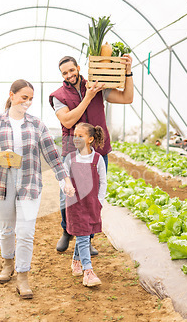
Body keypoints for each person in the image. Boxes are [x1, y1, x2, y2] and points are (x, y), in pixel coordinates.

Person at [0, 79, 75, 299]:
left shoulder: (36, 125)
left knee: (26, 232)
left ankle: (22, 277)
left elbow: (52, 155)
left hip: (29, 182)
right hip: (2, 182)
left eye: (30, 99)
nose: (27, 102)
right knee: (7, 229)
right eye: (23, 97)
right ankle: (8, 264)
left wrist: (64, 179)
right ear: (12, 95)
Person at [49, 54, 134, 254]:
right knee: (67, 195)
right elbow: (68, 121)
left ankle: (87, 239)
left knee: (92, 196)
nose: (69, 75)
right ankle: (66, 231)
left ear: (78, 68)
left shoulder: (98, 86)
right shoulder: (58, 96)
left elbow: (127, 97)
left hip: (97, 150)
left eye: (71, 70)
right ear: (61, 75)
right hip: (72, 152)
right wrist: (88, 96)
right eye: (65, 73)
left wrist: (128, 72)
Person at [60, 122, 107, 287]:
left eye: (81, 136)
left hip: (92, 203)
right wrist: (66, 187)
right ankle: (88, 271)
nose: (76, 139)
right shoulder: (70, 158)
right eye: (75, 136)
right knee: (83, 235)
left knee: (85, 233)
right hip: (75, 204)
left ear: (90, 139)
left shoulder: (97, 159)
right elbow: (62, 178)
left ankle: (75, 261)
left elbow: (103, 183)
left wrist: (99, 201)